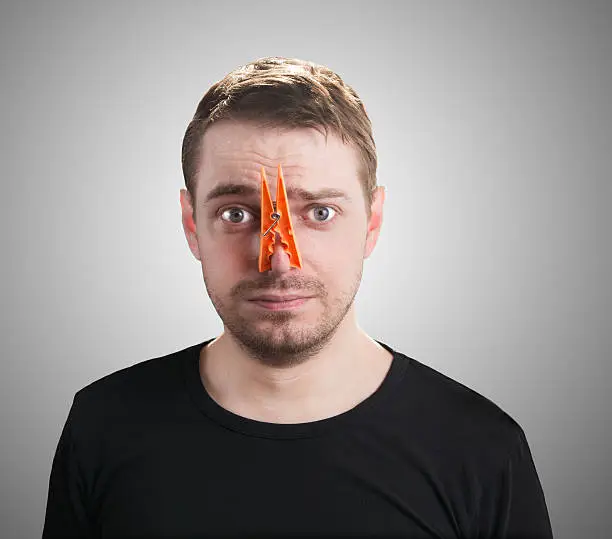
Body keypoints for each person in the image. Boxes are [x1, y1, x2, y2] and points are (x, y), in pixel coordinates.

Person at [42, 57, 553, 538]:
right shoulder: (104, 425)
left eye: (320, 213)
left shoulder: (481, 448)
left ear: (372, 223)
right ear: (191, 226)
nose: (280, 261)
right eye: (237, 213)